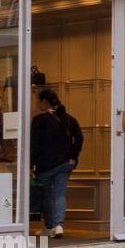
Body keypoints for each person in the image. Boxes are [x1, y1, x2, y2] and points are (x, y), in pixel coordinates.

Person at [30, 89, 83, 239]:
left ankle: (49, 226)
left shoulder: (39, 120)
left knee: (47, 196)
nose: (37, 104)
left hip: (45, 165)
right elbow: (79, 138)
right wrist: (73, 157)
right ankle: (59, 225)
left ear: (44, 102)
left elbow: (34, 144)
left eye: (38, 101)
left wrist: (31, 164)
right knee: (59, 194)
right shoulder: (68, 118)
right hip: (65, 164)